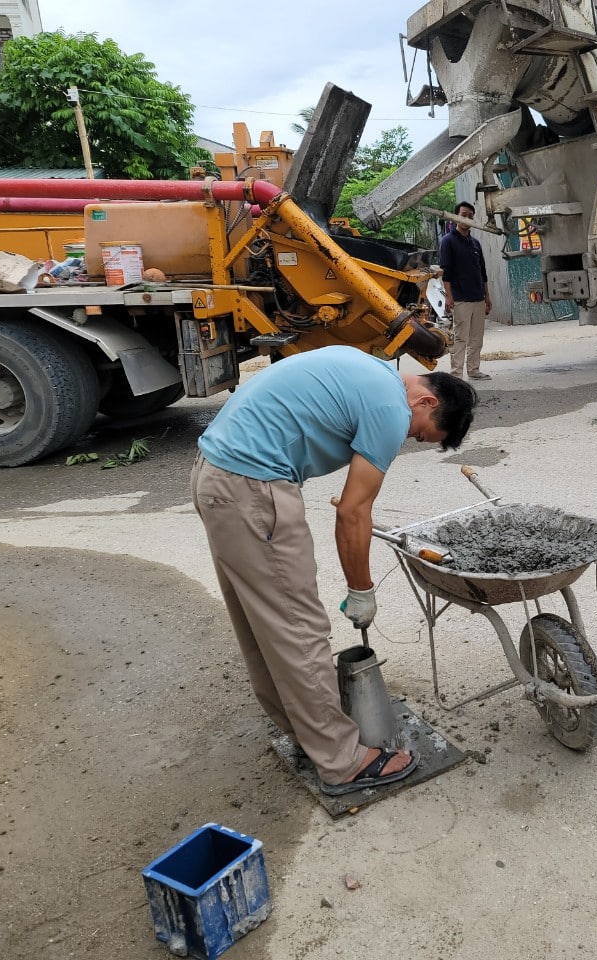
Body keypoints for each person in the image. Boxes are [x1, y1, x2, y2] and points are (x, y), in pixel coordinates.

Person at [190, 345, 477, 796]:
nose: (407, 438)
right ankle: (342, 762)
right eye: (420, 434)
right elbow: (352, 512)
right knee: (298, 628)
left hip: (214, 475)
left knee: (263, 623)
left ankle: (307, 733)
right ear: (426, 401)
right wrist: (361, 590)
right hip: (251, 488)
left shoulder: (368, 368)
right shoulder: (391, 408)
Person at [439, 200, 493, 381]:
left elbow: (482, 272)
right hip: (460, 298)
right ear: (455, 217)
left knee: (477, 338)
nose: (467, 219)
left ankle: (474, 370)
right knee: (461, 337)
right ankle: (456, 374)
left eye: (470, 216)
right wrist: (449, 297)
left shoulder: (475, 243)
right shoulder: (448, 241)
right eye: (463, 215)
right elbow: (446, 272)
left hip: (478, 297)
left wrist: (487, 296)